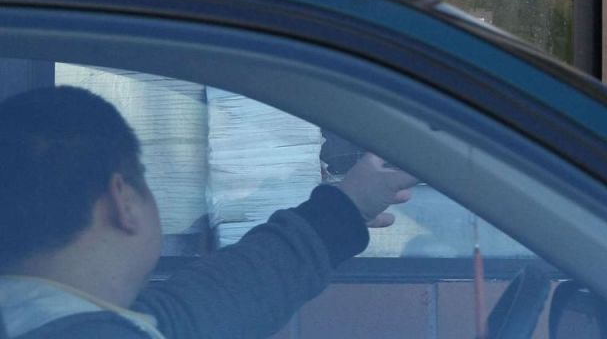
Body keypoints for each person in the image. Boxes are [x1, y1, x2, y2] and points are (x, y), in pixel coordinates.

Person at [0, 86, 418, 338]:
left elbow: (206, 308)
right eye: (144, 177)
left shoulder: (50, 319)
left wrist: (344, 209)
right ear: (122, 201)